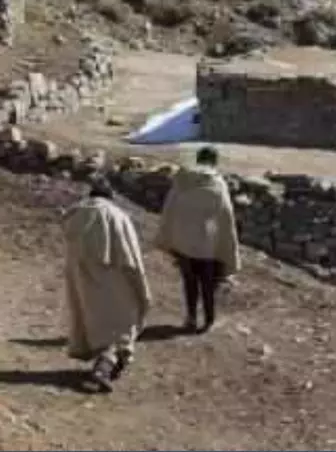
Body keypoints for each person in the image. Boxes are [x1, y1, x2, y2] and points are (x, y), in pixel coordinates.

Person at [62, 177, 151, 392]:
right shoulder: (116, 216)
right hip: (114, 278)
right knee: (121, 323)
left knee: (96, 321)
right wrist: (141, 287)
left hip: (81, 278)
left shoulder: (75, 215)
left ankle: (107, 363)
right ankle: (102, 370)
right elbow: (131, 256)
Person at [155, 146, 240, 333]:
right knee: (208, 284)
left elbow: (170, 210)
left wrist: (172, 238)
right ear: (214, 161)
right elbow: (226, 216)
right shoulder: (217, 183)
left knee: (190, 282)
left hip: (184, 244)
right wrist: (225, 245)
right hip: (208, 245)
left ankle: (191, 318)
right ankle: (209, 320)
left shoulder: (182, 180)